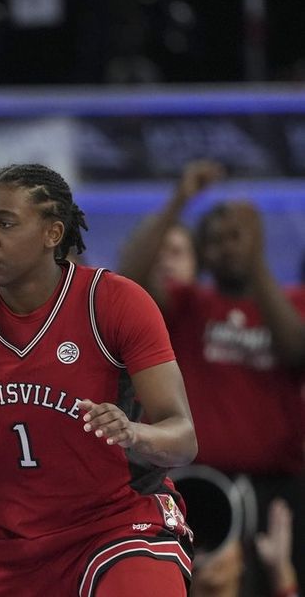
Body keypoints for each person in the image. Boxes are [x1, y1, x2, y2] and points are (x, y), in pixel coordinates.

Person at [0, 163, 199, 595]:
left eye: (5, 223)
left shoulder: (114, 303)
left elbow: (183, 435)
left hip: (117, 525)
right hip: (10, 541)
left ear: (53, 234)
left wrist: (133, 431)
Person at [119, 159, 305, 595]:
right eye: (217, 241)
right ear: (204, 255)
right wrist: (180, 198)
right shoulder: (188, 307)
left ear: (258, 242)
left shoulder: (293, 302)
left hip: (275, 491)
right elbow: (130, 281)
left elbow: (297, 351)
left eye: (237, 237)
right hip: (197, 486)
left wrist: (256, 259)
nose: (228, 247)